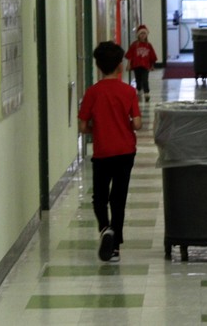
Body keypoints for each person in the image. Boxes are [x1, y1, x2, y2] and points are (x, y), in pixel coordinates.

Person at [78, 41, 142, 262]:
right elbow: (137, 124)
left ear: (98, 66)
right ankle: (115, 247)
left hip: (102, 152)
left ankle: (105, 229)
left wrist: (98, 128)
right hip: (125, 151)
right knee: (118, 198)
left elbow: (82, 126)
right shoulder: (128, 91)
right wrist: (125, 124)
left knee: (99, 197)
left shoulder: (92, 92)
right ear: (120, 66)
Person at [125, 24, 158, 102]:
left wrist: (152, 65)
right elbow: (130, 55)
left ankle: (146, 93)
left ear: (146, 35)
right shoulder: (134, 45)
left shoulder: (148, 45)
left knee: (145, 79)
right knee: (138, 80)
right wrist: (128, 64)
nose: (143, 35)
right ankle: (139, 90)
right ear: (138, 35)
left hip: (145, 66)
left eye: (144, 34)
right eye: (141, 34)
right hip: (136, 65)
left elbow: (152, 56)